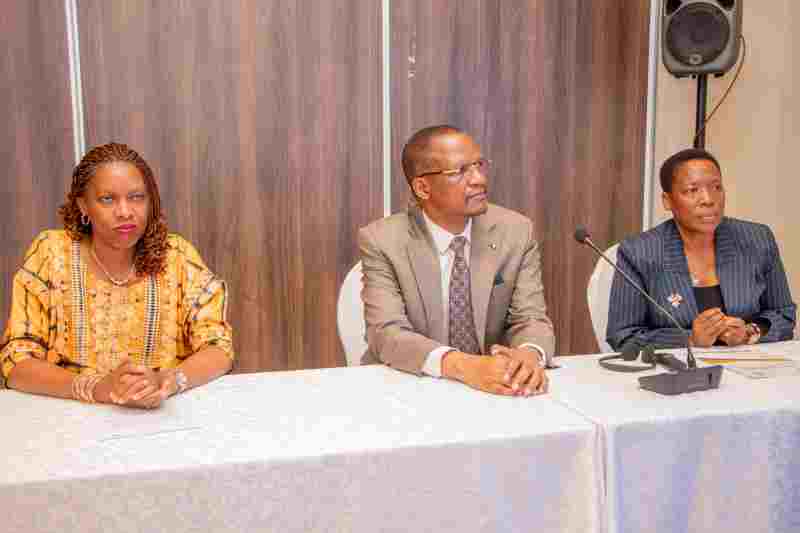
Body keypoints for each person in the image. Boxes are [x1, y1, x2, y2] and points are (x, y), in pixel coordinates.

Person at [0, 142, 234, 407]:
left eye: (136, 197)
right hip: (69, 418)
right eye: (107, 199)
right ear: (83, 206)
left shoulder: (177, 257)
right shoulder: (51, 254)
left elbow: (219, 346)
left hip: (161, 416)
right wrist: (96, 388)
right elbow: (16, 360)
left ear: (151, 202)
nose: (125, 212)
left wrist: (167, 381)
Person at [359, 125, 555, 396]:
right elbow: (386, 333)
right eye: (460, 171)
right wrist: (464, 366)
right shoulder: (382, 241)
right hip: (407, 387)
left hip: (494, 389)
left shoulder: (516, 231)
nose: (479, 179)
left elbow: (530, 317)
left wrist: (529, 355)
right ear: (423, 187)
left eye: (479, 165)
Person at [607, 148, 796, 350]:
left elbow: (784, 314)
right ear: (667, 201)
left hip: (748, 365)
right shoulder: (639, 252)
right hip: (679, 368)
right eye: (692, 190)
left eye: (716, 187)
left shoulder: (757, 239)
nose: (708, 199)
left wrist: (749, 333)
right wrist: (690, 339)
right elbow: (623, 337)